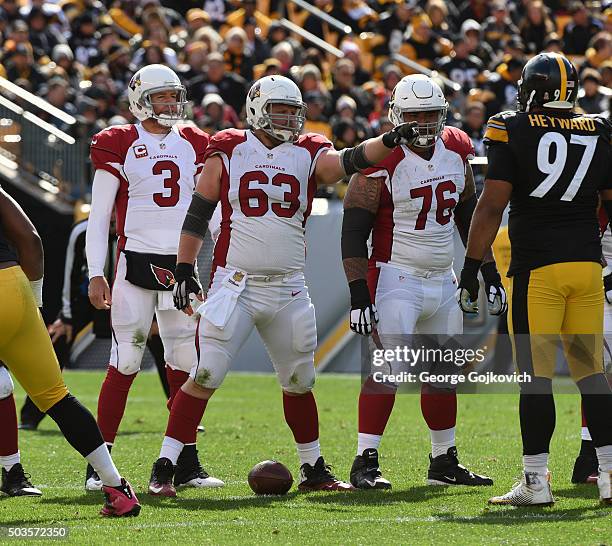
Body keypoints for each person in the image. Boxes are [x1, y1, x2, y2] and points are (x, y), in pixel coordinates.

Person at [146, 75, 419, 496]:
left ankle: (313, 469)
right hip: (236, 283)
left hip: (288, 286)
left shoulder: (308, 150)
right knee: (205, 372)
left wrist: (388, 140)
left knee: (299, 380)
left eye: (294, 110)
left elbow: (347, 161)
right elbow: (199, 211)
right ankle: (165, 465)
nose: (289, 117)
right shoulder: (230, 147)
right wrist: (184, 267)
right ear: (257, 109)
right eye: (280, 109)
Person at [457, 52, 612, 506]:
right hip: (586, 270)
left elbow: (491, 206)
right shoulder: (599, 129)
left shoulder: (513, 126)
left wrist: (470, 268)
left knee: (536, 379)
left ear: (535, 91)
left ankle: (535, 481)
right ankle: (608, 475)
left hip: (538, 273)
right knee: (592, 377)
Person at [341, 74, 505, 490]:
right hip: (396, 276)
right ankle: (365, 460)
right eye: (414, 116)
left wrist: (486, 270)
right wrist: (359, 293)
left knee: (443, 374)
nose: (423, 123)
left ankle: (443, 461)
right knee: (386, 370)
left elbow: (470, 217)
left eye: (430, 114)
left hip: (443, 278)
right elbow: (353, 229)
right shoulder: (380, 160)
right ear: (397, 115)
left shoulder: (457, 149)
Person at [84, 64, 223, 492]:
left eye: (172, 96)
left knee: (187, 362)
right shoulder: (118, 141)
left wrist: (219, 261)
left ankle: (184, 462)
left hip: (182, 266)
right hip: (135, 262)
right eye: (161, 97)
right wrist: (95, 271)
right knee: (126, 358)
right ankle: (98, 465)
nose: (169, 104)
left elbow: (212, 210)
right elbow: (100, 214)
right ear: (140, 99)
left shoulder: (196, 142)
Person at [0, 185, 139, 516]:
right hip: (16, 286)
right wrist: (33, 302)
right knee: (56, 397)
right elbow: (30, 238)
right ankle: (117, 488)